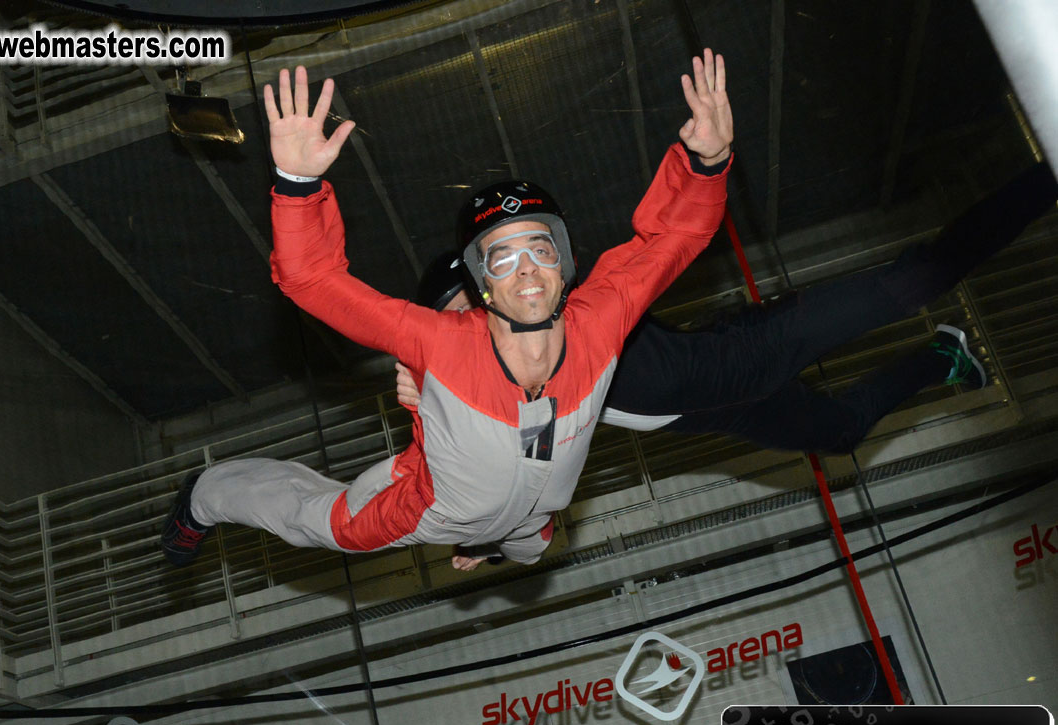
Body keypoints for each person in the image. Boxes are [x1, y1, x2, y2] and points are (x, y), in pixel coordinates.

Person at [161, 51, 732, 570]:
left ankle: (489, 545)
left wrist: (710, 161)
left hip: (534, 517)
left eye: (540, 248)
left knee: (530, 550)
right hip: (433, 509)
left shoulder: (602, 317)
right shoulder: (440, 341)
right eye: (501, 259)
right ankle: (205, 496)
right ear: (482, 284)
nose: (527, 268)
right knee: (316, 525)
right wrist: (297, 183)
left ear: (564, 263)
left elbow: (676, 237)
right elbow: (312, 281)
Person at [398, 160, 1058, 512]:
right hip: (729, 411)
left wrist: (701, 164)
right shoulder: (517, 396)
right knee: (841, 433)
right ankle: (941, 355)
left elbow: (655, 242)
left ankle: (1042, 179)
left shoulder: (575, 302)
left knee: (915, 280)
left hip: (754, 344)